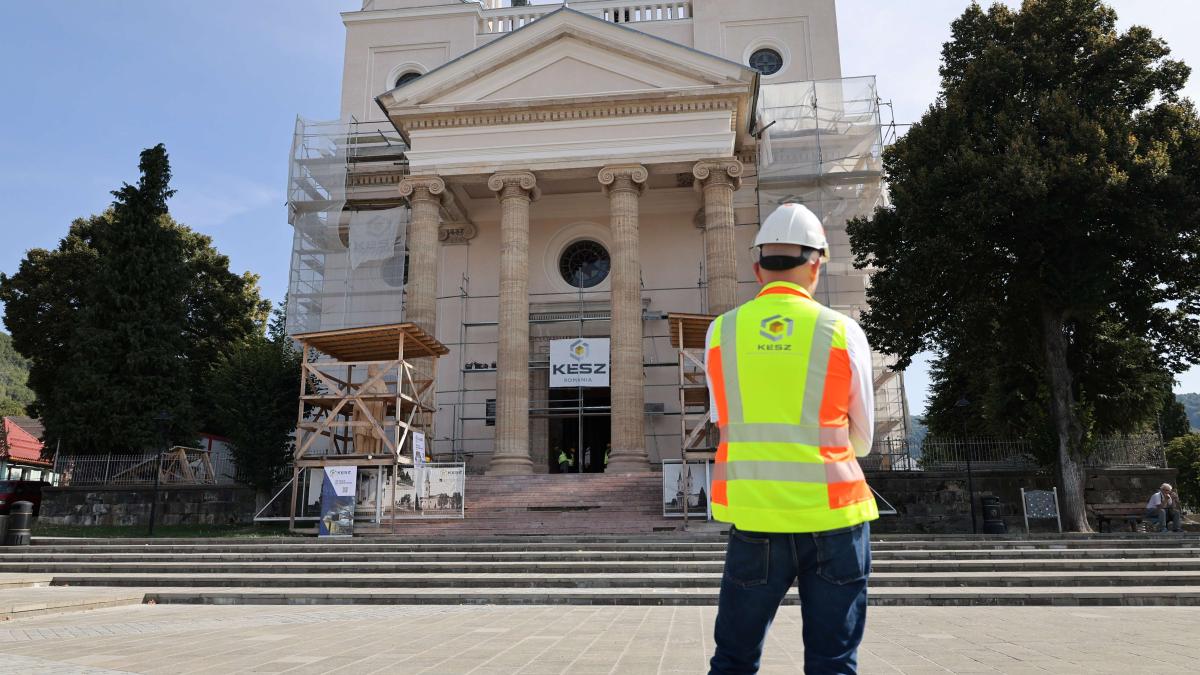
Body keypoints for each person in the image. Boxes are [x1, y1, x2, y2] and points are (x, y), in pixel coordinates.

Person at [706, 203, 878, 675]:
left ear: (756, 267)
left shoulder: (721, 332)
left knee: (733, 660)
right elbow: (862, 438)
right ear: (816, 263)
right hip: (835, 516)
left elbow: (726, 420)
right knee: (833, 662)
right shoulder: (842, 330)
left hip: (755, 515)